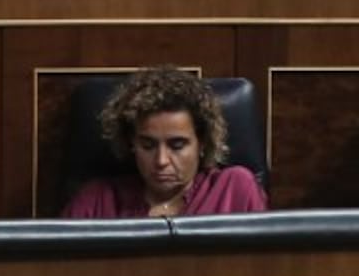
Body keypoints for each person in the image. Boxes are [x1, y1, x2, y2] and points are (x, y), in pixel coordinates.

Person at [65, 66, 268, 218]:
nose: (161, 161)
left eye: (177, 145)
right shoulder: (97, 200)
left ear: (203, 143)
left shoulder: (235, 188)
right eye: (148, 145)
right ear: (131, 143)